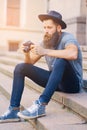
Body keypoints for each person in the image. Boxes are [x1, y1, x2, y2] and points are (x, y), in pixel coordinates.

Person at [0, 10, 83, 123]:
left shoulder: (68, 38)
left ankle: (41, 104)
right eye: (44, 28)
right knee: (20, 67)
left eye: (49, 27)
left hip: (72, 84)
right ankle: (13, 110)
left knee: (61, 61)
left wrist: (45, 51)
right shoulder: (46, 42)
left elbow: (72, 54)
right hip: (56, 82)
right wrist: (27, 54)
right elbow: (29, 63)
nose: (46, 31)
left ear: (58, 28)